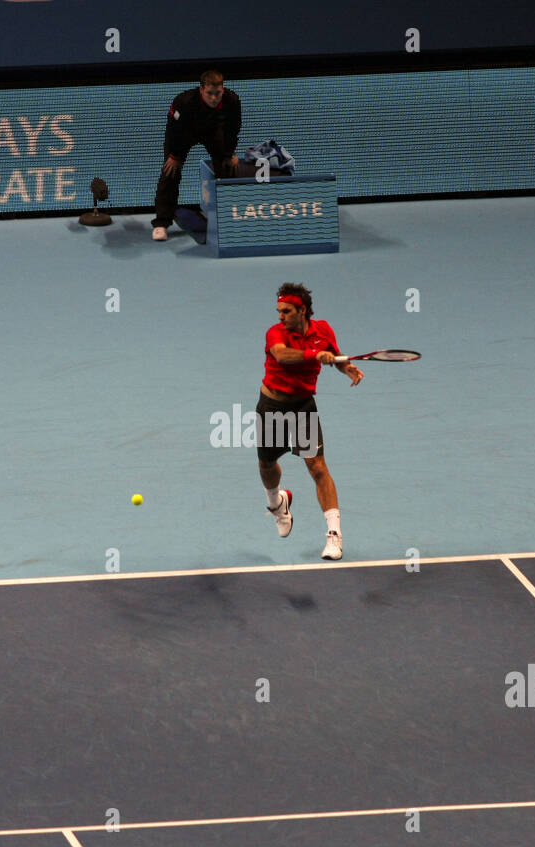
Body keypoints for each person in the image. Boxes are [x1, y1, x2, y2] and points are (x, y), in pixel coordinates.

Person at [257, 283, 363, 560]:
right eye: (279, 311)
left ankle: (334, 536)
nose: (281, 316)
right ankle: (277, 504)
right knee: (267, 464)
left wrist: (345, 367)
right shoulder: (275, 333)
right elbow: (282, 355)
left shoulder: (323, 330)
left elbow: (334, 355)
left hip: (303, 406)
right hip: (272, 406)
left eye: (287, 311)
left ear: (302, 310)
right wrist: (315, 355)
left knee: (317, 467)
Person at [151, 69, 241, 240]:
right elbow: (174, 130)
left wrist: (229, 153)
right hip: (184, 134)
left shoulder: (232, 101)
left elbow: (232, 129)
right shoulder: (183, 102)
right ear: (201, 90)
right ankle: (162, 223)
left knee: (227, 166)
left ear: (223, 89)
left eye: (217, 93)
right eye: (209, 93)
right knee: (170, 171)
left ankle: (226, 219)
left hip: (213, 132)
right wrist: (175, 156)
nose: (214, 98)